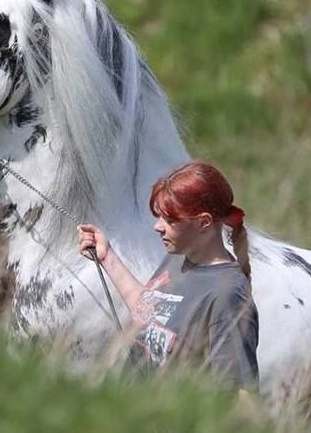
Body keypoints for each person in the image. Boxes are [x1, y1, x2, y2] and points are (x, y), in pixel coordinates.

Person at [77, 160, 259, 391]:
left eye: (170, 220)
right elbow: (151, 312)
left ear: (203, 222)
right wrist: (107, 257)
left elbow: (240, 394)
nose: (158, 227)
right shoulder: (178, 258)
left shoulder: (227, 294)